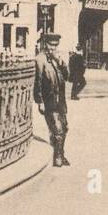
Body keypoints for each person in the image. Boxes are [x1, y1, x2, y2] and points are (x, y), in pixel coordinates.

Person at [34, 34, 70, 167]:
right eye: (51, 45)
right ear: (44, 44)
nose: (53, 48)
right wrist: (40, 102)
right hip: (49, 100)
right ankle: (58, 157)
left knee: (64, 127)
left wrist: (61, 63)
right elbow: (37, 82)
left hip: (60, 100)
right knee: (58, 130)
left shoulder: (57, 60)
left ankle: (59, 152)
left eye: (55, 45)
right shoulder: (40, 60)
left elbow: (67, 77)